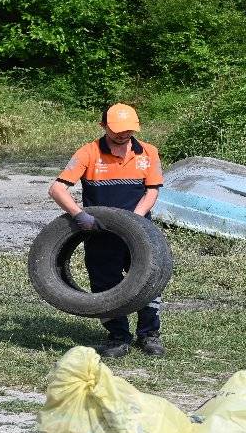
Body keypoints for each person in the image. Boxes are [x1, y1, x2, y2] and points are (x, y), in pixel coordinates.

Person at [48, 103, 166, 358]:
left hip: (140, 230)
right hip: (99, 232)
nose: (124, 135)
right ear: (103, 127)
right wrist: (79, 215)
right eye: (117, 131)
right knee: (105, 284)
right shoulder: (88, 153)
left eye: (129, 130)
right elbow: (57, 189)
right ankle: (117, 337)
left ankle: (149, 335)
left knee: (149, 281)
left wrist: (133, 222)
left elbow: (152, 190)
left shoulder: (148, 152)